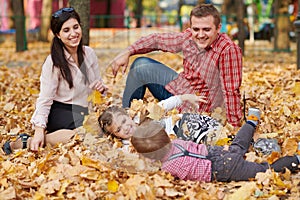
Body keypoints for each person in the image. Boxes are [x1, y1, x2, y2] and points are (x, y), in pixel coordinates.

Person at [110, 4, 243, 127]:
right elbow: (157, 40)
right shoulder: (189, 38)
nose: (201, 35)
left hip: (198, 109)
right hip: (180, 93)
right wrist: (128, 51)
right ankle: (125, 122)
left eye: (206, 29)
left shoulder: (228, 50)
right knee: (141, 66)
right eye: (196, 29)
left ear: (218, 28)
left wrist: (233, 129)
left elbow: (231, 92)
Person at [2, 7, 107, 155]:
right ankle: (26, 142)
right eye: (66, 30)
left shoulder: (89, 54)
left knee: (100, 130)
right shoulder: (53, 62)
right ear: (58, 35)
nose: (73, 34)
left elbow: (98, 89)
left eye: (75, 27)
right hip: (61, 110)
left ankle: (32, 139)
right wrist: (39, 129)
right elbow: (45, 98)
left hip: (83, 110)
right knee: (82, 135)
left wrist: (101, 88)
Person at [131, 108, 300, 182]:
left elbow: (188, 176)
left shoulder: (167, 167)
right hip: (218, 152)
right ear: (165, 137)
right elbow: (196, 147)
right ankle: (251, 121)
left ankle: (296, 159)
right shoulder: (176, 142)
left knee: (265, 170)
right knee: (239, 143)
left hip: (223, 169)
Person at [99, 94, 223, 145]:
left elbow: (164, 105)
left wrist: (184, 97)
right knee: (208, 142)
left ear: (128, 115)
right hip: (179, 138)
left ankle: (220, 133)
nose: (125, 128)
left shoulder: (141, 116)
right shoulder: (129, 145)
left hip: (181, 122)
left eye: (124, 121)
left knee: (209, 127)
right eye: (119, 129)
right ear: (115, 135)